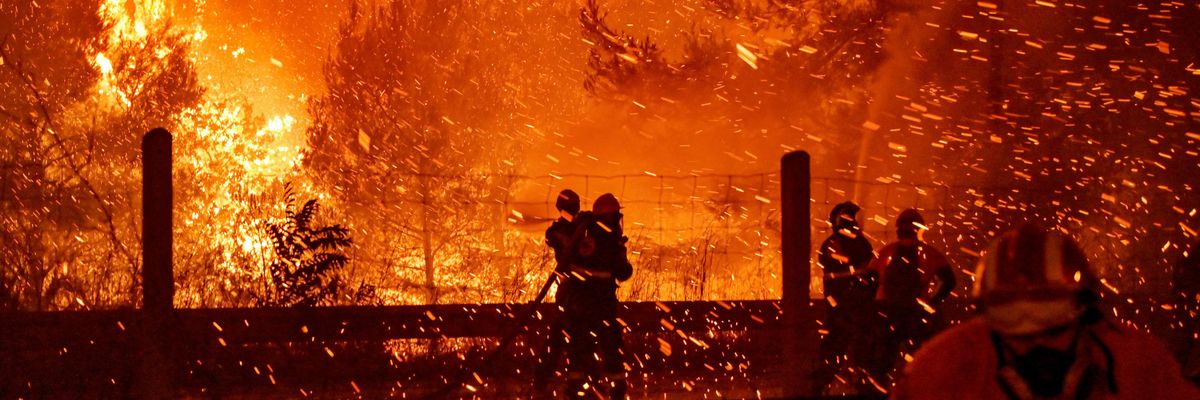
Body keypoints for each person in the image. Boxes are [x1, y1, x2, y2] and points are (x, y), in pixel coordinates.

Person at [892, 224, 1200, 400]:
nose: (1034, 337)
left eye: (1050, 313)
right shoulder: (947, 365)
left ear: (1085, 311)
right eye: (1013, 316)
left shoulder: (1136, 363)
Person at [867, 209, 955, 386]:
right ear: (919, 229)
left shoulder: (885, 252)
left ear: (898, 228)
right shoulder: (930, 253)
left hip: (886, 312)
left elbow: (868, 281)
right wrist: (931, 302)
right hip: (916, 313)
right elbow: (949, 281)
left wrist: (872, 307)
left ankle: (878, 390)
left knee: (882, 360)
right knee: (921, 358)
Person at [563, 193, 633, 399]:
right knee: (610, 343)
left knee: (580, 343)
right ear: (609, 216)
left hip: (580, 301)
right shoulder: (609, 238)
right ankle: (617, 387)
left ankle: (578, 387)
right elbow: (622, 272)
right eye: (615, 215)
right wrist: (623, 258)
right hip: (601, 301)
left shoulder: (584, 232)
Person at [814, 201, 879, 394]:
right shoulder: (835, 244)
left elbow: (869, 269)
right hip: (843, 304)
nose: (853, 222)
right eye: (849, 218)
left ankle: (858, 381)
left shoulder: (857, 243)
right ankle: (822, 383)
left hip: (855, 304)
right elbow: (859, 268)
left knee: (854, 342)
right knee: (840, 341)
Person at [534, 189, 582, 393]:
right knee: (570, 338)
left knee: (562, 337)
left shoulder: (563, 230)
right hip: (576, 292)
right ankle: (570, 383)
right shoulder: (570, 230)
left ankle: (543, 381)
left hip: (572, 292)